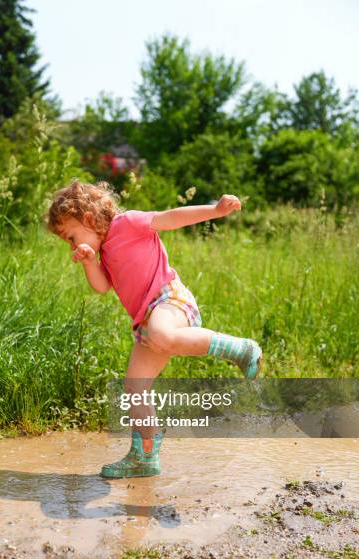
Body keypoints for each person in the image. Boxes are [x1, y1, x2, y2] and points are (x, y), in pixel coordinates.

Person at [44, 179, 262, 479]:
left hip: (169, 300)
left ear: (89, 219)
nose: (71, 245)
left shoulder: (127, 223)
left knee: (161, 334)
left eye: (71, 237)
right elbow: (101, 287)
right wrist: (89, 262)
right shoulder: (104, 252)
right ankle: (144, 456)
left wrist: (215, 210)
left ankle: (241, 349)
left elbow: (170, 217)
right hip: (146, 322)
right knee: (135, 390)